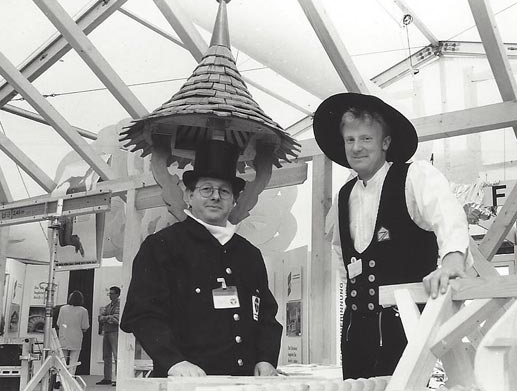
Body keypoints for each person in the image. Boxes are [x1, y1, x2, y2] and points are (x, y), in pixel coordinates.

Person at [313, 93, 471, 379]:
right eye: (350, 139)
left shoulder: (414, 177)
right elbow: (341, 253)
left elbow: (447, 214)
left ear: (385, 143)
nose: (356, 147)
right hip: (356, 331)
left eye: (366, 138)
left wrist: (452, 259)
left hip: (407, 328)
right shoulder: (343, 196)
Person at [121, 140, 282, 378]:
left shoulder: (249, 254)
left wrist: (266, 358)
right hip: (185, 382)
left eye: (224, 191)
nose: (216, 197)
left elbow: (266, 315)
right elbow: (143, 314)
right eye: (206, 189)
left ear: (234, 200)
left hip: (244, 382)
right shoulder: (162, 246)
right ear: (189, 195)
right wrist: (174, 363)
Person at [57, 291, 90, 375]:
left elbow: (58, 323)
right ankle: (71, 377)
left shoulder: (63, 309)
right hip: (76, 338)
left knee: (62, 360)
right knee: (73, 361)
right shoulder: (83, 311)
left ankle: (60, 378)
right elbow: (85, 326)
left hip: (64, 337)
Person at [97, 286, 120, 386]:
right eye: (109, 293)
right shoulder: (108, 306)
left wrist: (105, 317)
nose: (110, 295)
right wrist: (108, 317)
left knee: (116, 355)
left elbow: (115, 319)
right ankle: (107, 378)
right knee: (106, 355)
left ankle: (118, 378)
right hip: (107, 331)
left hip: (114, 332)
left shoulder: (119, 305)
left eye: (112, 293)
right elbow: (100, 318)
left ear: (117, 294)